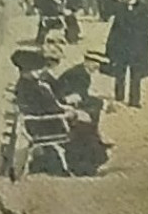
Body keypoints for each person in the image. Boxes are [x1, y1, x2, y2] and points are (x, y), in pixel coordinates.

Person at [11, 48, 109, 177]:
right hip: (46, 125)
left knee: (84, 122)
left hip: (39, 123)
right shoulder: (34, 88)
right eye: (38, 69)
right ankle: (83, 168)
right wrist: (69, 112)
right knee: (84, 127)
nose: (41, 72)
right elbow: (50, 108)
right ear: (30, 70)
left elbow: (49, 106)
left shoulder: (27, 85)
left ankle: (88, 162)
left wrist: (66, 109)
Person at [105, 0, 148, 108]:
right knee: (120, 72)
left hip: (137, 46)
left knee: (136, 74)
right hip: (121, 45)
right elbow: (115, 27)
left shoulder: (143, 8)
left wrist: (137, 34)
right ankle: (119, 95)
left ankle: (134, 100)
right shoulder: (120, 8)